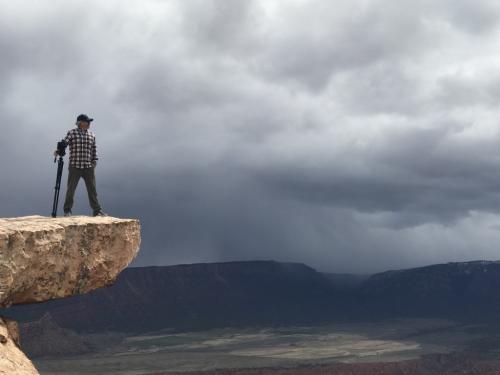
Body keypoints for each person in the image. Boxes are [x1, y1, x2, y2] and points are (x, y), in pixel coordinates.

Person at [53, 114, 107, 217]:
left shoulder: (92, 135)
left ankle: (97, 210)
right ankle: (67, 210)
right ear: (80, 123)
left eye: (89, 122)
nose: (89, 123)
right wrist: (58, 150)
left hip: (88, 167)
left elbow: (94, 149)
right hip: (75, 166)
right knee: (71, 189)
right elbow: (65, 142)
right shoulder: (72, 133)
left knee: (92, 190)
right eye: (87, 122)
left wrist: (94, 161)